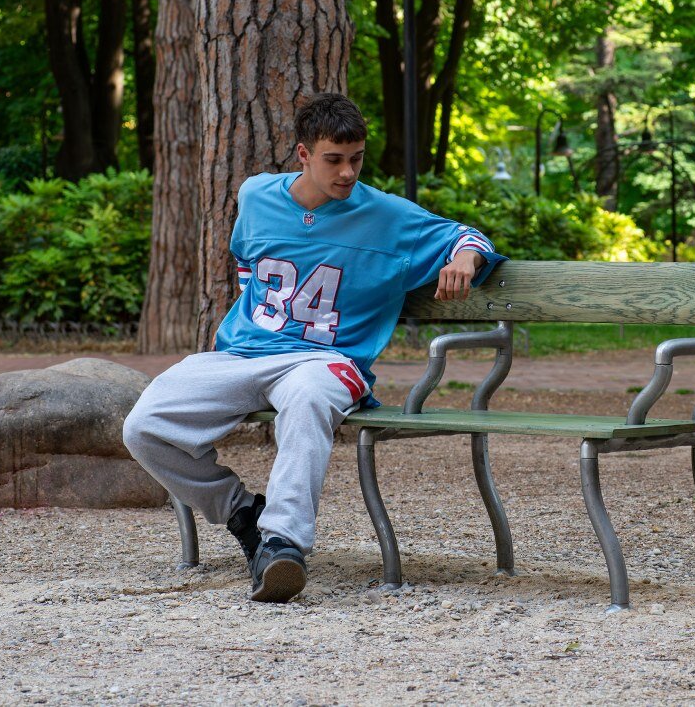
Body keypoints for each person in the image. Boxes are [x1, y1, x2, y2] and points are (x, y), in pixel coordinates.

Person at [123, 93, 503, 603]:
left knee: (305, 400)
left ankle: (282, 546)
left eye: (357, 158)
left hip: (325, 361)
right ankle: (243, 516)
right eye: (334, 159)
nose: (348, 172)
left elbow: (468, 236)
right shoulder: (257, 194)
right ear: (303, 155)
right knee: (143, 426)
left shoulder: (388, 216)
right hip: (243, 354)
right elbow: (245, 260)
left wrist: (464, 260)